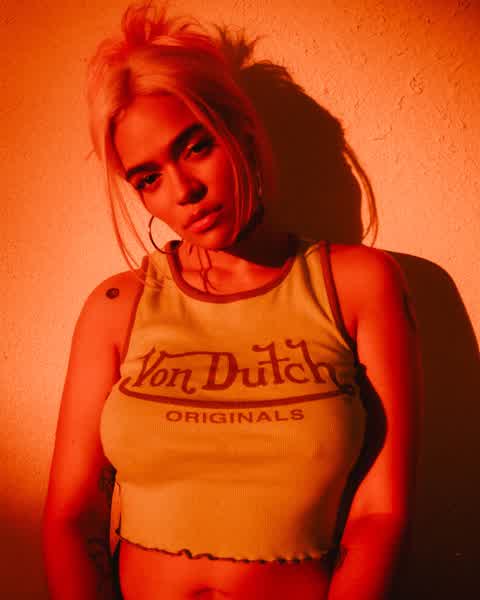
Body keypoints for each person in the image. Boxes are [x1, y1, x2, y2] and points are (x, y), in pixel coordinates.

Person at [42, 3, 421, 599]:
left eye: (195, 148)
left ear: (241, 130)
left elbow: (380, 513)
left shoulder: (358, 284)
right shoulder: (116, 306)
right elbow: (72, 517)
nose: (184, 191)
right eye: (148, 178)